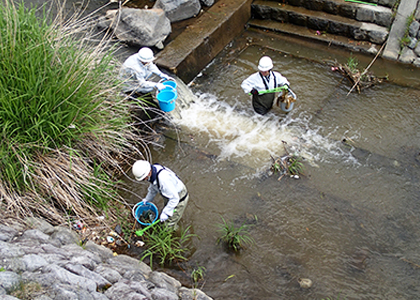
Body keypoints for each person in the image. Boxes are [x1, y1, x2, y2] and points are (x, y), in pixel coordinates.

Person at [132, 160, 189, 230]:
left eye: (144, 178)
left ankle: (177, 235)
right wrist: (147, 199)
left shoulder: (163, 180)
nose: (144, 180)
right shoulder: (153, 171)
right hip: (170, 195)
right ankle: (174, 219)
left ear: (148, 173)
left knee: (168, 226)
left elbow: (175, 199)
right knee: (167, 217)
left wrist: (166, 212)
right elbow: (153, 188)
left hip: (179, 199)